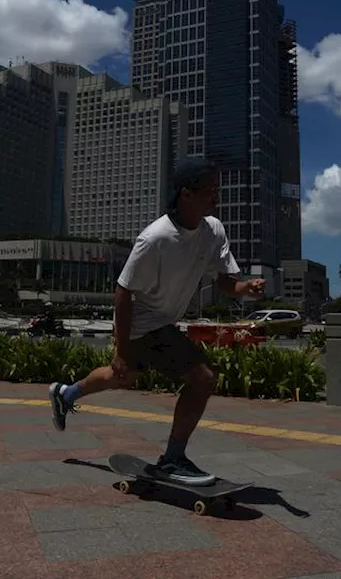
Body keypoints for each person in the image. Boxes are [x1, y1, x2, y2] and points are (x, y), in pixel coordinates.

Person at [47, 157, 264, 486]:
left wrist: (244, 287)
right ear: (186, 194)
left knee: (123, 376)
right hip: (142, 324)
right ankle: (173, 459)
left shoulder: (213, 230)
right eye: (209, 191)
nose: (215, 198)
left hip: (160, 323)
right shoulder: (155, 239)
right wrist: (121, 347)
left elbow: (223, 280)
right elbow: (122, 292)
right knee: (203, 378)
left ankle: (65, 394)